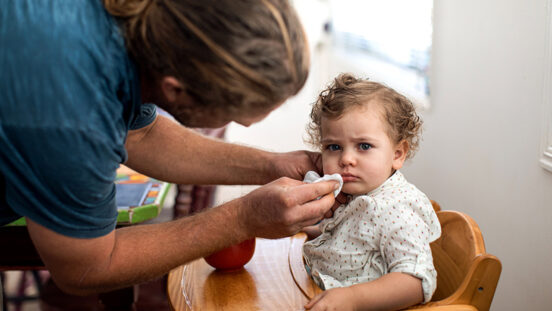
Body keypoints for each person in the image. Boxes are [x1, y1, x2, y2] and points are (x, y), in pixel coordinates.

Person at [0, 0, 341, 295]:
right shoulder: (72, 110)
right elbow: (87, 267)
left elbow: (139, 135)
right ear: (175, 90)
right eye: (236, 113)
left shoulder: (138, 31)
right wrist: (243, 218)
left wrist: (272, 165)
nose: (248, 124)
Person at [301, 73, 441, 311]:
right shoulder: (357, 191)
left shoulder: (397, 210)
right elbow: (351, 238)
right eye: (334, 147)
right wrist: (308, 228)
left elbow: (417, 281)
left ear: (397, 154)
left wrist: (352, 298)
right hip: (313, 289)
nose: (346, 159)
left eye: (364, 146)